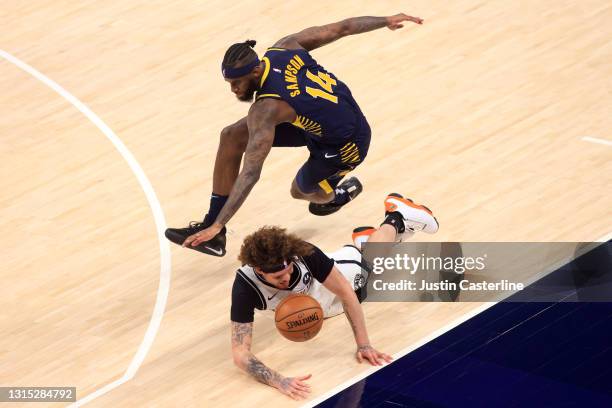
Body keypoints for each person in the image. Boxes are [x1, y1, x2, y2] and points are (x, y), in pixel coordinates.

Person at [165, 13, 424, 257]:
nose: (233, 90)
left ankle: (337, 196)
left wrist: (224, 220)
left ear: (256, 72)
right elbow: (342, 28)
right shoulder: (284, 47)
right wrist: (386, 20)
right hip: (317, 120)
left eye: (237, 83)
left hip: (346, 142)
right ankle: (213, 232)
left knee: (300, 191)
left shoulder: (266, 108)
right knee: (231, 135)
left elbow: (251, 172)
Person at [230, 193, 439, 399]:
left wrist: (363, 344)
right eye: (278, 276)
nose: (286, 277)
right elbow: (240, 353)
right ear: (259, 270)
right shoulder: (245, 287)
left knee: (371, 270)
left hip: (335, 274)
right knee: (365, 293)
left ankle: (397, 217)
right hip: (320, 304)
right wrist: (279, 381)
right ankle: (367, 240)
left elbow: (346, 293)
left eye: (289, 270)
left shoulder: (304, 253)